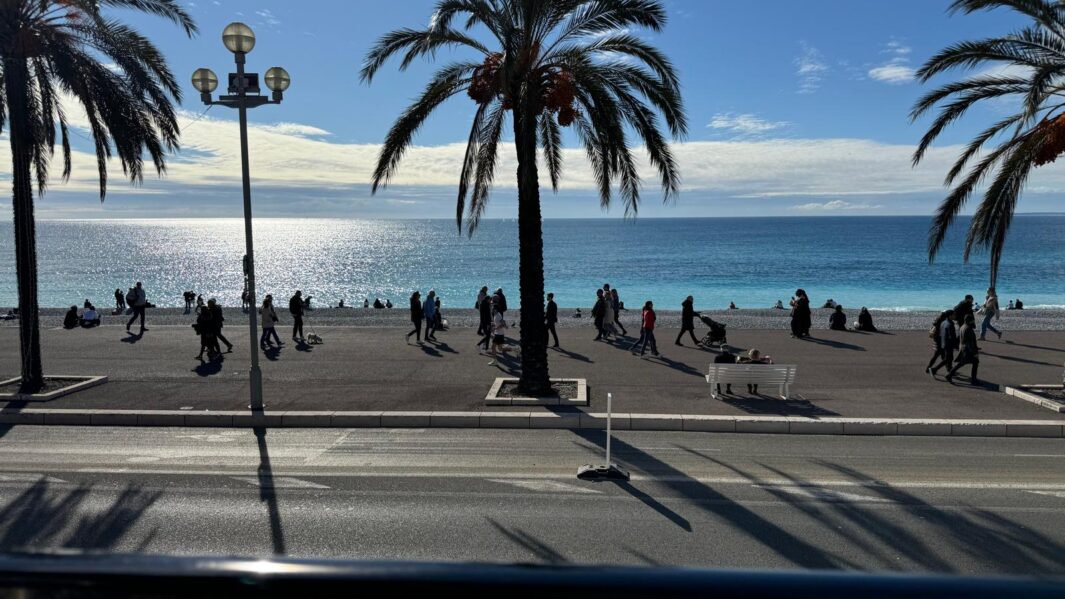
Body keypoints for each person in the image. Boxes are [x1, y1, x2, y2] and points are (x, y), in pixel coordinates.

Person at [947, 314, 980, 385]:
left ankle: (949, 375)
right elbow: (969, 342)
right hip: (967, 350)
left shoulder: (963, 326)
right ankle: (974, 380)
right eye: (973, 320)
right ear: (970, 320)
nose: (973, 321)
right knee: (975, 362)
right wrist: (974, 352)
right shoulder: (968, 328)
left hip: (963, 348)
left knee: (962, 363)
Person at [928, 309, 958, 377]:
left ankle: (948, 370)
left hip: (943, 343)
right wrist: (956, 344)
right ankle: (934, 369)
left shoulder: (943, 322)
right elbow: (951, 336)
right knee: (947, 358)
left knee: (947, 358)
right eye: (954, 314)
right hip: (948, 344)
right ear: (950, 316)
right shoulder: (949, 324)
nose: (955, 316)